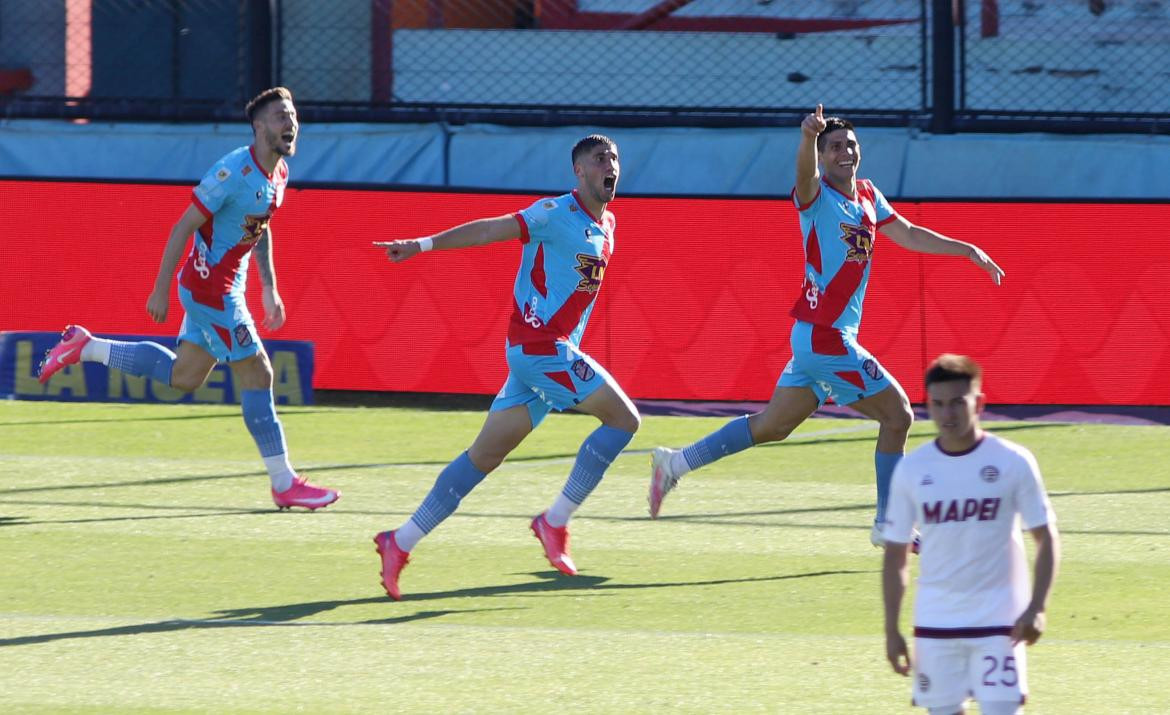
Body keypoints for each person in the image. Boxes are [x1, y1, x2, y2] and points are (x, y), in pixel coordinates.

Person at [648, 104, 1004, 547]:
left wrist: (966, 249)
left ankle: (674, 464)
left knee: (772, 427)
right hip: (824, 337)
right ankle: (889, 524)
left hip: (820, 336)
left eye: (850, 145)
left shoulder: (869, 196)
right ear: (820, 157)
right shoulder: (816, 198)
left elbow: (909, 233)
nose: (845, 152)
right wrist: (805, 138)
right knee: (898, 416)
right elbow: (802, 177)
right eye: (834, 147)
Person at [36, 86, 339, 512]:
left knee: (184, 377)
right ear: (258, 127)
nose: (289, 123)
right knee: (259, 372)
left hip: (224, 288)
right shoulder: (233, 172)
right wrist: (160, 288)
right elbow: (183, 226)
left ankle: (87, 346)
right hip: (211, 291)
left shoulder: (279, 175)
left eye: (292, 116)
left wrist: (269, 287)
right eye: (279, 117)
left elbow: (260, 227)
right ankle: (283, 481)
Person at [370, 134, 638, 600]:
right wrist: (423, 244)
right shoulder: (554, 214)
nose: (609, 165)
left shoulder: (608, 224)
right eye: (599, 159)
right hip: (539, 349)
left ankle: (400, 540)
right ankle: (554, 522)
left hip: (542, 357)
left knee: (483, 458)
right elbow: (488, 230)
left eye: (613, 158)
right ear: (579, 171)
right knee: (624, 420)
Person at [882, 354, 1060, 714]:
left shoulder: (1013, 461)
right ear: (929, 405)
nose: (948, 415)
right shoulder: (912, 469)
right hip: (935, 622)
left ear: (978, 403)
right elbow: (895, 555)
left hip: (1000, 622)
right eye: (939, 404)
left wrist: (1038, 607)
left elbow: (1047, 538)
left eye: (958, 403)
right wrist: (891, 629)